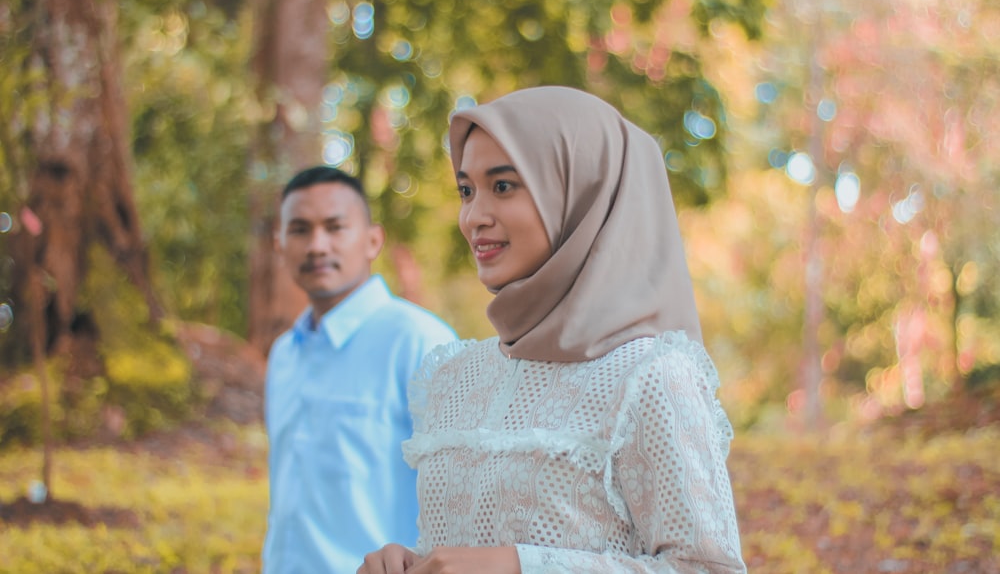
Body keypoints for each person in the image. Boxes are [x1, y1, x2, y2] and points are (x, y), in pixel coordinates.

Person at [359, 86, 746, 573]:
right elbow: (465, 549)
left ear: (579, 192)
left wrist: (522, 567)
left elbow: (708, 568)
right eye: (466, 190)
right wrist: (413, 562)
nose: (474, 217)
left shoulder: (650, 376)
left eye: (503, 186)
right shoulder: (454, 379)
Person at [263, 165, 457, 574]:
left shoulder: (420, 342)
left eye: (335, 227)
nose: (317, 245)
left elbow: (463, 496)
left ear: (372, 241)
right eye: (299, 230)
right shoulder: (284, 354)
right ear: (279, 244)